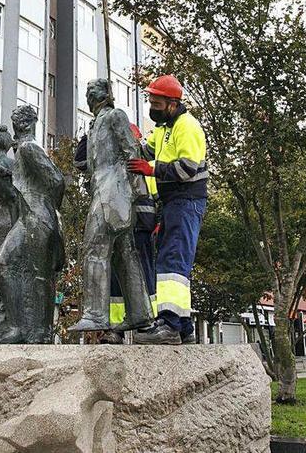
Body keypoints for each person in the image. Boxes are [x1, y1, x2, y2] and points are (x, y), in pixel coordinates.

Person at [68, 79, 155, 334]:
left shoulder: (116, 116)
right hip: (103, 190)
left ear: (106, 94)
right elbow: (83, 162)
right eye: (86, 91)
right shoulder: (95, 124)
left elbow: (133, 153)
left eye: (92, 90)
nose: (87, 95)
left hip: (114, 194)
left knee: (95, 249)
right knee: (125, 253)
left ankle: (95, 314)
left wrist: (137, 194)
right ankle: (139, 313)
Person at [127, 75, 209, 345]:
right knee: (171, 261)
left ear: (172, 104)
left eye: (157, 103)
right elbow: (143, 151)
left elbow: (187, 168)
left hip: (187, 200)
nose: (152, 107)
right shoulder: (162, 130)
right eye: (150, 101)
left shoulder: (187, 126)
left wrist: (152, 169)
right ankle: (183, 326)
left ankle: (171, 325)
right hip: (172, 203)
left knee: (173, 261)